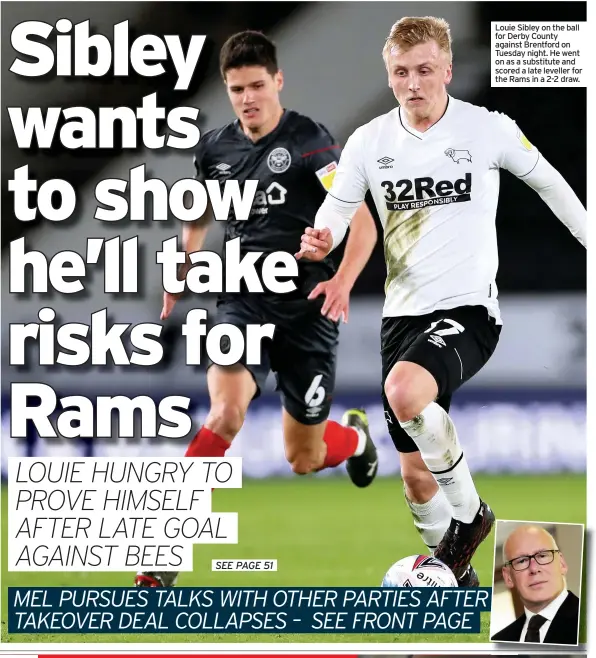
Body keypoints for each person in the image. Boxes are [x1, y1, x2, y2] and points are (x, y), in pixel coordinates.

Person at [297, 16, 586, 587]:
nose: (413, 83)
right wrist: (321, 237)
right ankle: (462, 579)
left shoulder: (487, 129)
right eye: (401, 72)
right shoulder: (369, 142)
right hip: (400, 317)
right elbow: (336, 211)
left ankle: (474, 519)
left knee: (403, 391)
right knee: (416, 480)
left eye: (425, 70)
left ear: (447, 71)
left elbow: (551, 183)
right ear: (390, 75)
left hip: (469, 310)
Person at [135, 31, 379, 587]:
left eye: (257, 86)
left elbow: (360, 217)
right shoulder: (215, 149)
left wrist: (342, 280)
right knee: (225, 416)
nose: (247, 98)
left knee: (304, 457)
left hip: (307, 314)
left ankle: (357, 440)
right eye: (236, 89)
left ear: (278, 82)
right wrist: (182, 262)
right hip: (242, 301)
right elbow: (198, 211)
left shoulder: (312, 143)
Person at [491, 525, 580, 645]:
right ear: (508, 577)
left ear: (562, 564)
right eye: (521, 561)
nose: (534, 568)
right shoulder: (499, 642)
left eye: (542, 556)